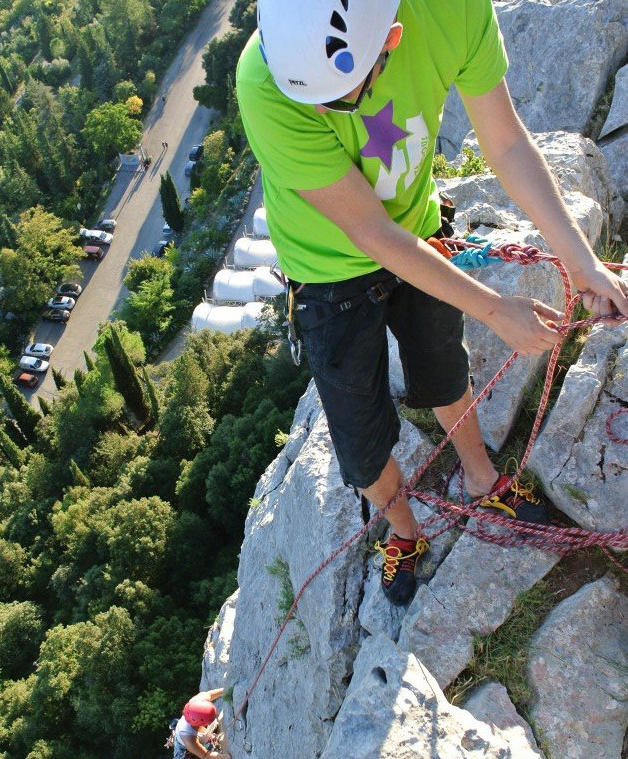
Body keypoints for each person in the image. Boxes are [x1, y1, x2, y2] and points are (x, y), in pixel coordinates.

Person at [236, 0, 628, 606]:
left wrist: (582, 262)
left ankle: (482, 478)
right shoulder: (266, 80)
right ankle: (404, 533)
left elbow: (507, 143)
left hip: (417, 230)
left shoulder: (453, 11)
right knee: (362, 445)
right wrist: (496, 307)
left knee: (446, 373)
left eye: (337, 98)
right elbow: (371, 234)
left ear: (390, 40)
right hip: (327, 276)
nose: (315, 110)